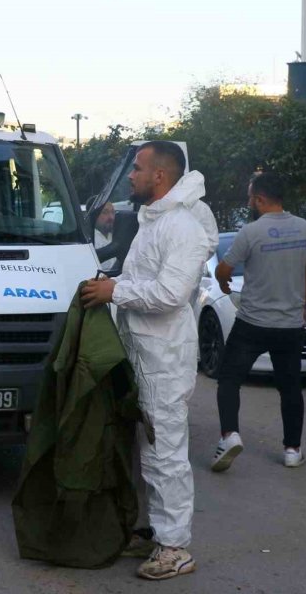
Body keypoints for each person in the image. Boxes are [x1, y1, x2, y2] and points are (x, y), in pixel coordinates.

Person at [81, 141, 213, 580]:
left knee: (165, 453)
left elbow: (171, 295)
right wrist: (111, 282)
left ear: (160, 176)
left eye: (137, 169)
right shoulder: (153, 222)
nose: (131, 177)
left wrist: (114, 291)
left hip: (165, 359)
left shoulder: (182, 227)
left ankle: (175, 547)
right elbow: (140, 280)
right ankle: (152, 530)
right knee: (145, 450)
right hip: (143, 354)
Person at [211, 172, 306, 472]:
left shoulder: (251, 232)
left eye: (250, 197)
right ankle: (292, 450)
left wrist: (223, 283)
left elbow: (224, 268)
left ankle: (229, 435)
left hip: (252, 324)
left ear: (260, 199)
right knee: (290, 388)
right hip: (290, 326)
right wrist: (304, 305)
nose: (249, 202)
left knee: (230, 379)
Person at [93, 202, 117, 271]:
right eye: (105, 212)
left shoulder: (116, 236)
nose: (111, 217)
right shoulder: (90, 239)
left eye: (113, 212)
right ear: (94, 215)